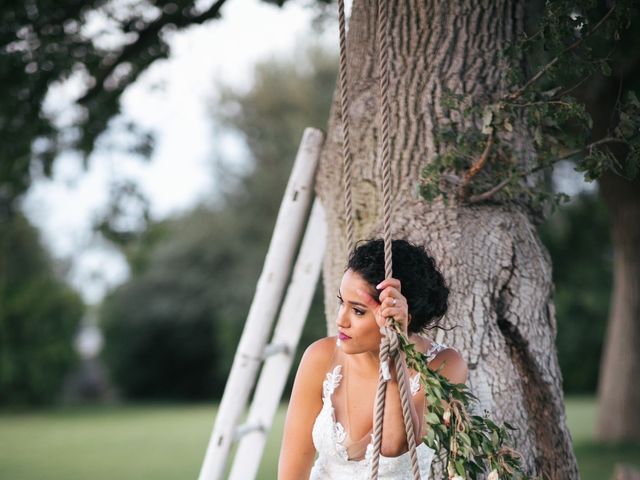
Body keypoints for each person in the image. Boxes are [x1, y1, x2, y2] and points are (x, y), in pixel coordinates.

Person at [278, 239, 468, 480]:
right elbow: (291, 473)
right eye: (341, 302)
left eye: (358, 311)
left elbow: (392, 445)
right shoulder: (320, 357)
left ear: (399, 316)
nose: (341, 320)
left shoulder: (445, 365)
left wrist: (394, 348)